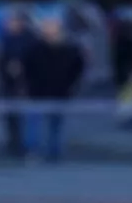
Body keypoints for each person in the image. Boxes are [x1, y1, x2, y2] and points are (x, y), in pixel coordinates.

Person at [17, 11, 85, 163]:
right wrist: (28, 85)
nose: (49, 30)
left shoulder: (70, 50)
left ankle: (54, 153)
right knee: (33, 124)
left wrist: (70, 85)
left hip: (59, 92)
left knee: (56, 125)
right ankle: (32, 151)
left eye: (52, 27)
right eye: (46, 27)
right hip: (36, 93)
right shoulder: (33, 49)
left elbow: (78, 69)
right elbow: (25, 68)